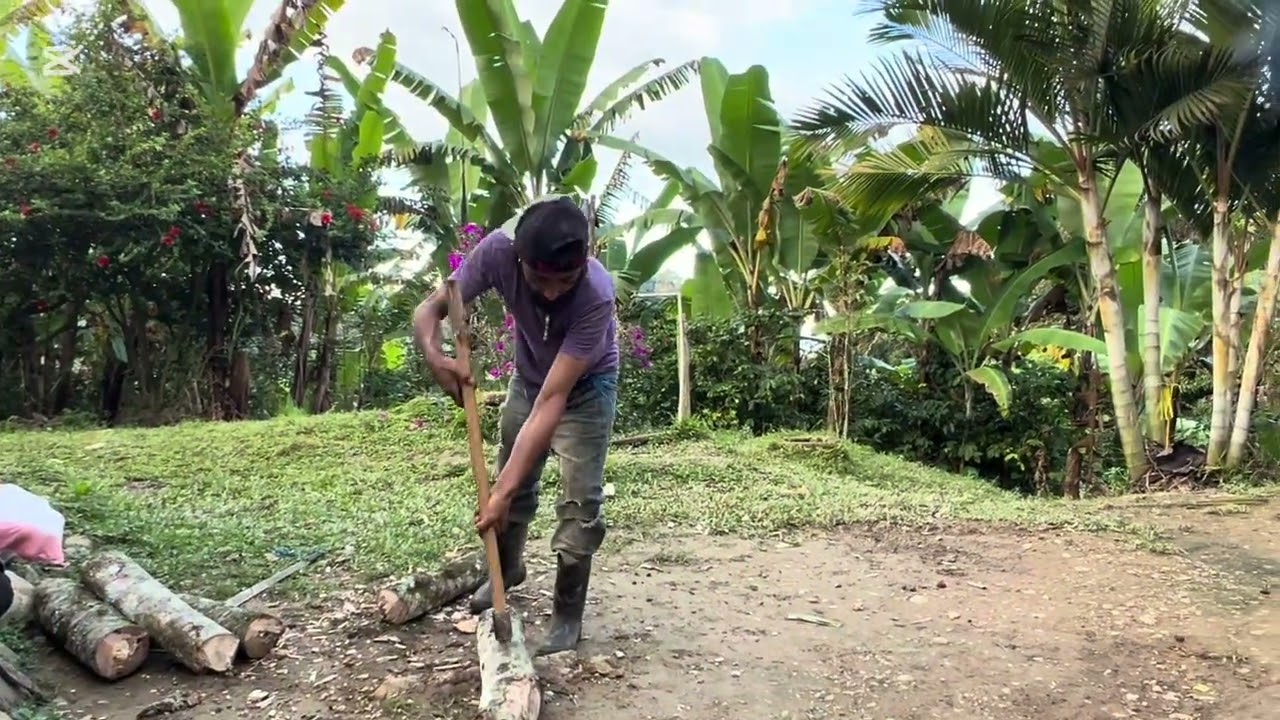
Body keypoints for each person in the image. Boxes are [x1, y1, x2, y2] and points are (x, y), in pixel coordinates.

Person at [412, 197, 619, 656]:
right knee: (516, 483)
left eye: (563, 280)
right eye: (538, 279)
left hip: (584, 388)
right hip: (529, 378)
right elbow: (429, 311)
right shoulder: (497, 253)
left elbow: (553, 399)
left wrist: (499, 492)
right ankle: (506, 572)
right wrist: (436, 357)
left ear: (583, 265)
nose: (550, 293)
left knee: (579, 498)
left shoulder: (597, 294)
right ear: (519, 259)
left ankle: (567, 614)